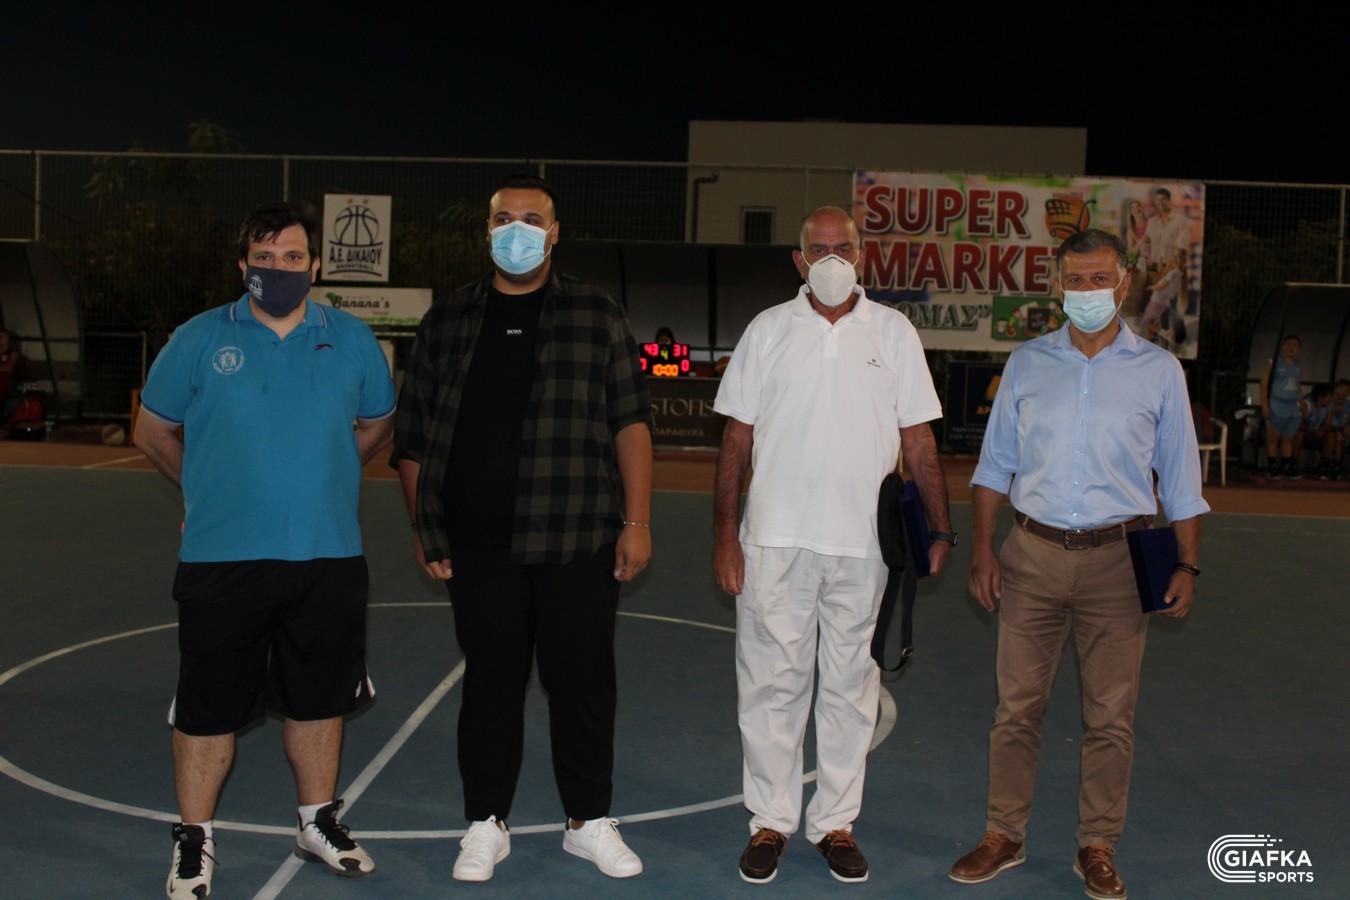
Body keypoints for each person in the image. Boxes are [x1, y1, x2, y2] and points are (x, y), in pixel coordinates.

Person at [392, 174, 653, 883]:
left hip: (578, 536)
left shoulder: (598, 313)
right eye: (504, 218)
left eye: (532, 219)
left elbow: (631, 422)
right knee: (491, 685)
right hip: (479, 544)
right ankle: (485, 822)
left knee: (583, 682)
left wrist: (636, 521)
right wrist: (424, 524)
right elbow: (412, 437)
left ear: (555, 232)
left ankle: (587, 821)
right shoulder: (448, 318)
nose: (517, 230)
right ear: (486, 230)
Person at [135, 201, 396, 899]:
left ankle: (317, 823)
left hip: (327, 555)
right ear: (242, 265)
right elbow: (152, 431)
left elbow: (377, 424)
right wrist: (203, 490)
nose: (277, 268)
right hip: (222, 558)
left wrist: (327, 475)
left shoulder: (352, 339)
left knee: (319, 701)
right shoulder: (197, 338)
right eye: (263, 257)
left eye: (291, 256)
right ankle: (195, 840)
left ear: (315, 265)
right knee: (208, 707)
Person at [949, 229, 1208, 900]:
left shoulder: (1159, 372)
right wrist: (982, 550)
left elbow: (1182, 480)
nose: (1087, 291)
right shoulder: (1027, 363)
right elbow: (993, 468)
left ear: (1124, 284)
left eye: (1099, 279)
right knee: (1015, 709)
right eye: (1075, 279)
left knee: (1111, 718)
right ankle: (1004, 834)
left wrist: (1186, 565)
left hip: (1119, 563)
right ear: (1057, 285)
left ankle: (1097, 844)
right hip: (1030, 557)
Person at [712, 206, 954, 885]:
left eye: (841, 247)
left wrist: (940, 526)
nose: (830, 259)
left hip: (865, 545)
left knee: (852, 688)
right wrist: (725, 534)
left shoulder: (894, 332)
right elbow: (736, 440)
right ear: (798, 260)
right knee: (771, 685)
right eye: (817, 249)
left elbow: (918, 439)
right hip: (773, 540)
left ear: (861, 254)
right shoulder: (767, 330)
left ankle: (836, 823)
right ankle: (770, 821)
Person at [1260, 334, 1304, 480]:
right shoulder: (1273, 363)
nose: (1292, 348)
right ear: (1283, 346)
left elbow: (1298, 385)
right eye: (1289, 344)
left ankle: (1287, 464)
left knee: (1289, 437)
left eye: (1295, 345)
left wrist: (1302, 404)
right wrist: (1265, 405)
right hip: (1277, 403)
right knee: (1274, 436)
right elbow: (1264, 385)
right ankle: (1272, 464)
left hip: (1292, 405)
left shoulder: (1297, 365)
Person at [1138, 187, 1189, 271]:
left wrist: (1175, 264)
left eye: (1163, 199)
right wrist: (1143, 259)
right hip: (1155, 265)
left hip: (1174, 266)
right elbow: (1146, 242)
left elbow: (1181, 245)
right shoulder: (1152, 222)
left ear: (1169, 200)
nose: (1160, 202)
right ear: (1155, 202)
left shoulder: (1180, 220)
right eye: (1158, 200)